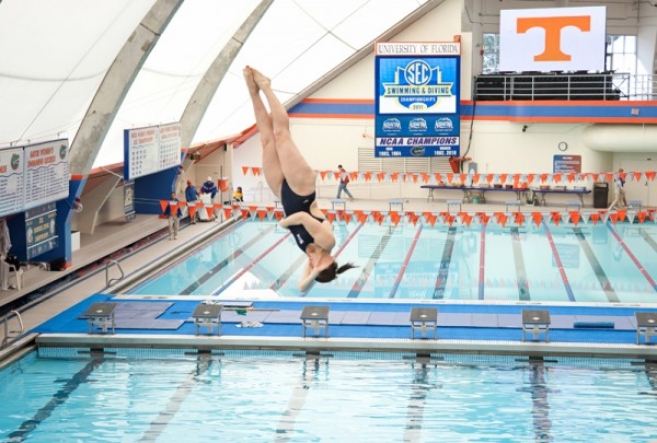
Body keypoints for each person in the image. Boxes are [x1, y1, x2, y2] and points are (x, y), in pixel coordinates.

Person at [243, 66, 357, 291]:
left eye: (314, 267)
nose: (313, 263)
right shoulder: (328, 242)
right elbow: (303, 220)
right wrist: (284, 223)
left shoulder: (310, 255)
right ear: (331, 260)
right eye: (320, 264)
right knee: (280, 135)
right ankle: (266, 86)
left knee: (266, 140)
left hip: (283, 192)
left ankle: (253, 92)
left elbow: (301, 287)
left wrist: (314, 270)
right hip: (302, 188)